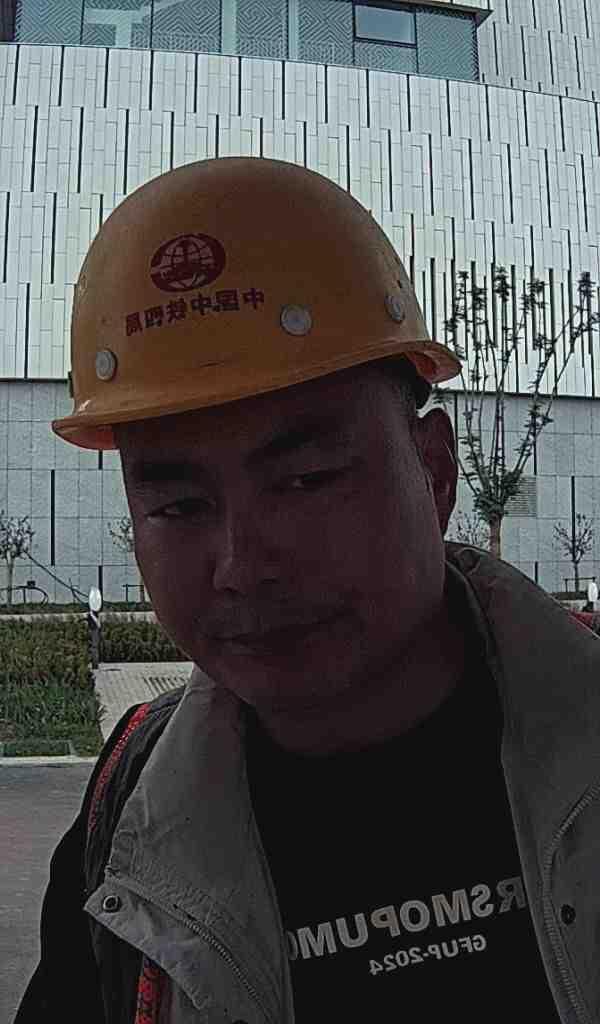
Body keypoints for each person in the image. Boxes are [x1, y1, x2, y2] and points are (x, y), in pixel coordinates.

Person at [15, 158, 600, 1024]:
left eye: (307, 480)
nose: (241, 564)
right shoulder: (128, 822)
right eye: (178, 505)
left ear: (436, 472)